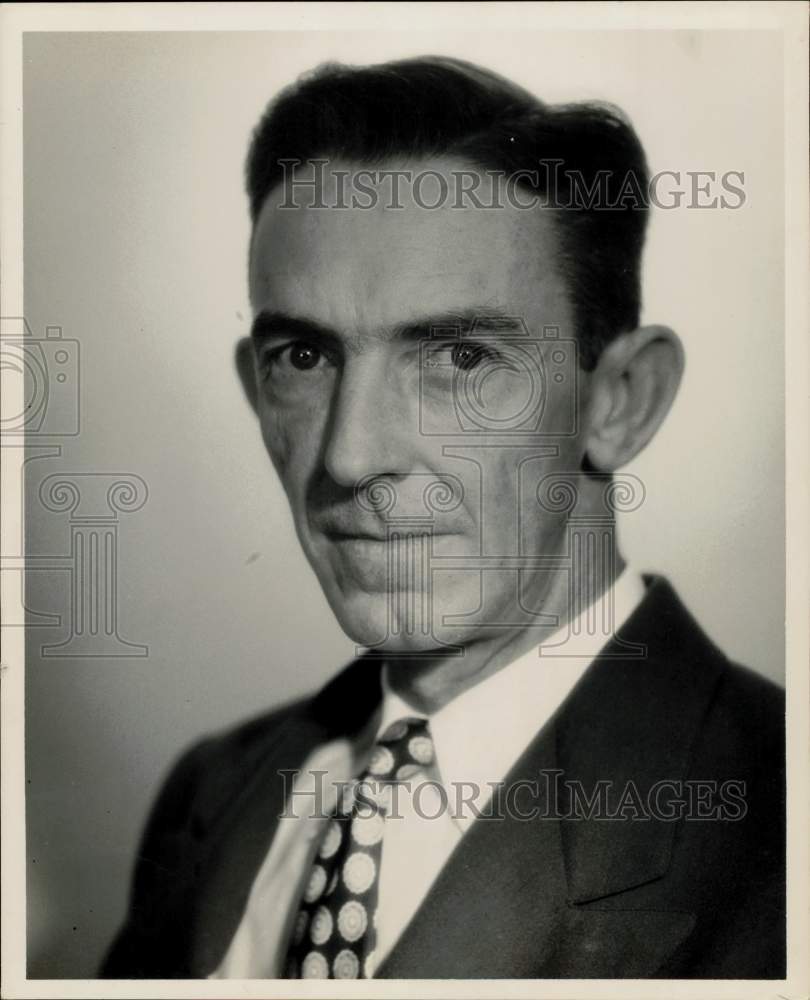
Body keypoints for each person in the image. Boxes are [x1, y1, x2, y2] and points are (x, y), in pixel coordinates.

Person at [101, 56, 785, 980]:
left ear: (620, 400)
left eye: (460, 358)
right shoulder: (216, 788)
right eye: (304, 356)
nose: (350, 456)